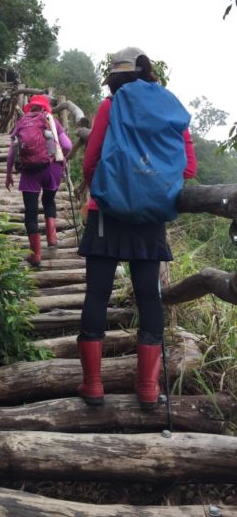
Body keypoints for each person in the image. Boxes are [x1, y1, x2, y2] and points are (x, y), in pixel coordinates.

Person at [77, 47, 197, 409]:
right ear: (148, 74)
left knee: (96, 295)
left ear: (115, 78)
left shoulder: (109, 106)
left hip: (106, 213)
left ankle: (94, 386)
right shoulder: (168, 108)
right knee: (149, 298)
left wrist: (95, 189)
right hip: (150, 218)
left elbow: (91, 159)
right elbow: (188, 168)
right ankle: (147, 388)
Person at [5, 94, 72, 267]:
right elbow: (68, 146)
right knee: (49, 201)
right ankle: (52, 238)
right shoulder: (52, 121)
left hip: (29, 172)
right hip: (52, 169)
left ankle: (36, 256)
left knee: (31, 213)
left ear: (30, 107)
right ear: (45, 108)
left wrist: (8, 174)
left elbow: (12, 151)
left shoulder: (21, 122)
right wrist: (61, 158)